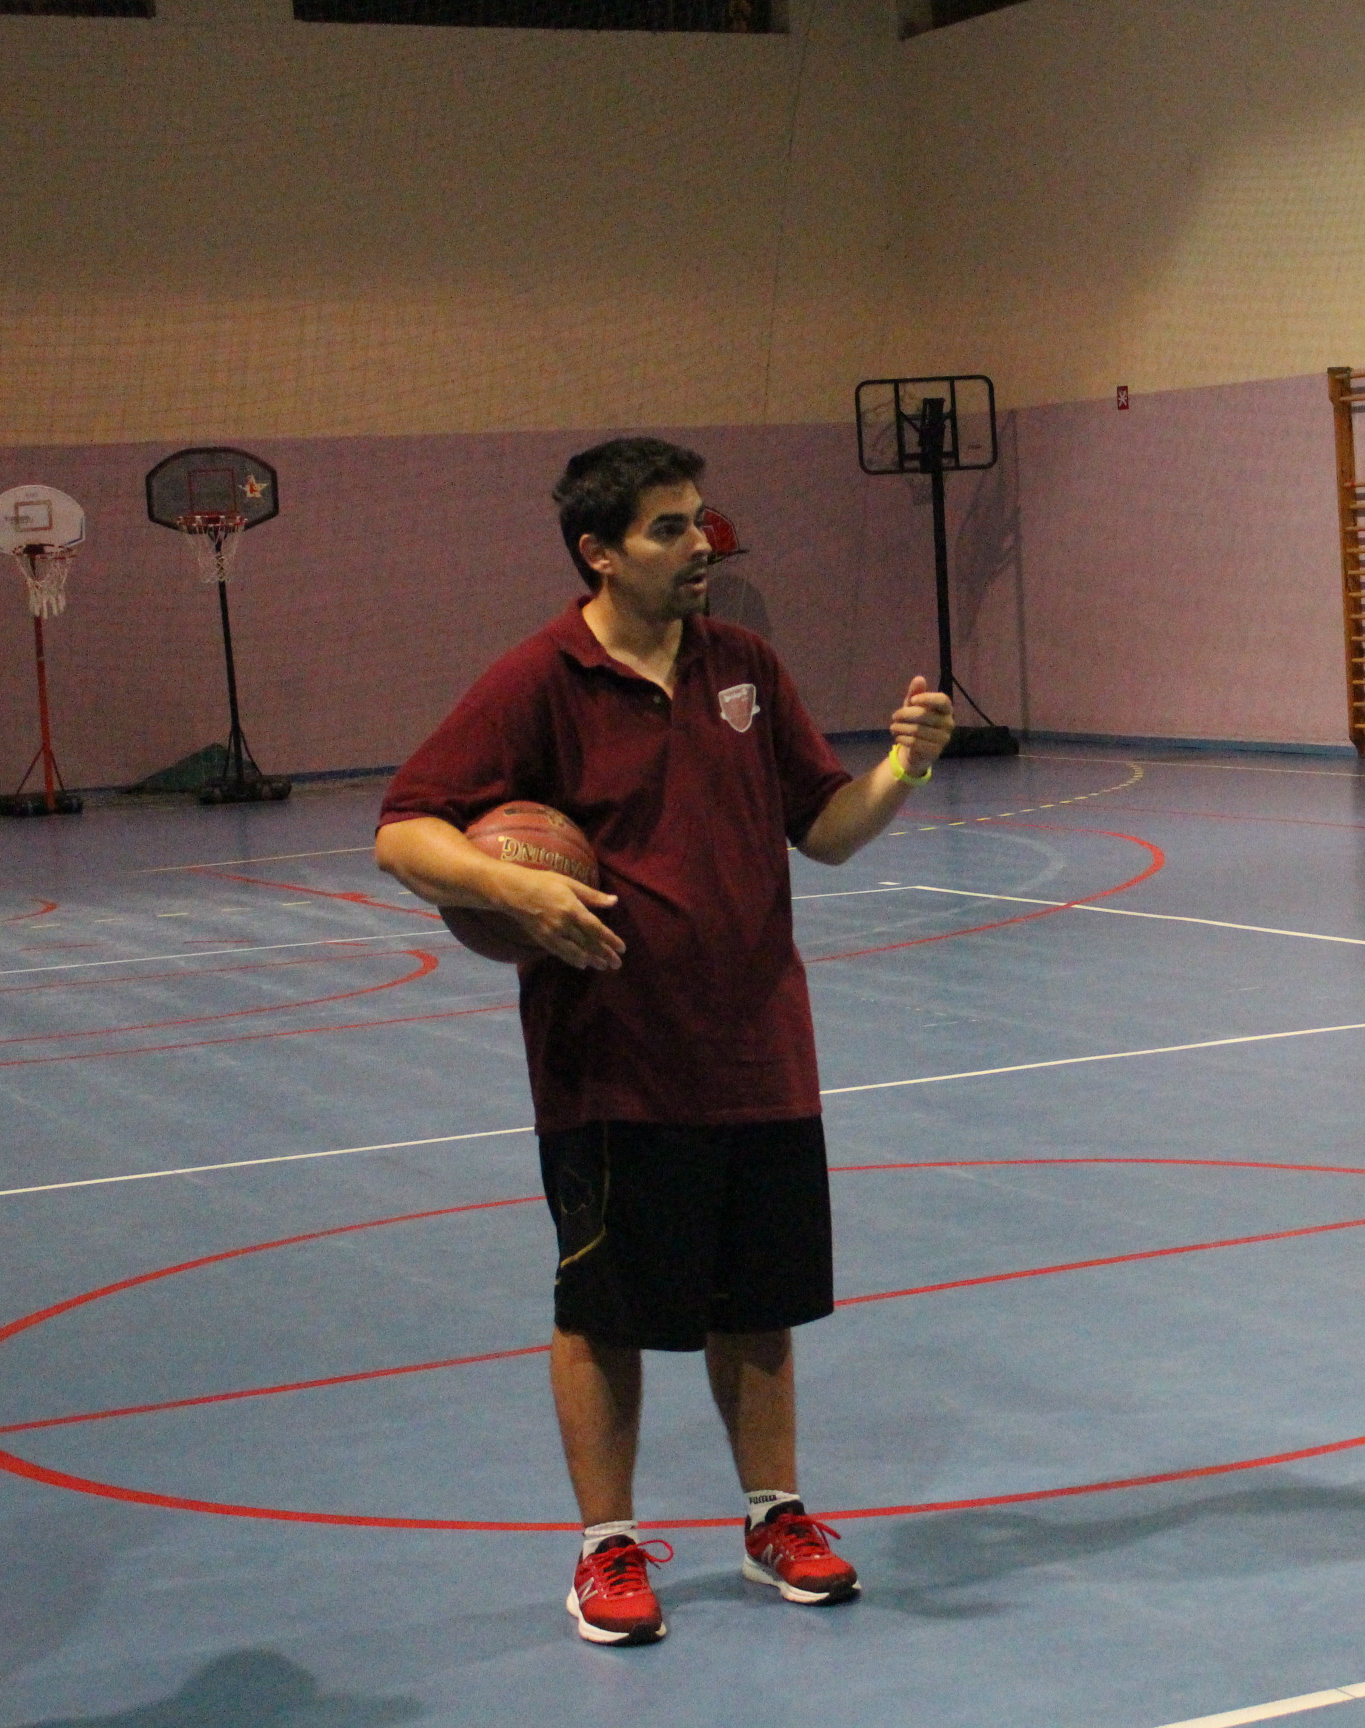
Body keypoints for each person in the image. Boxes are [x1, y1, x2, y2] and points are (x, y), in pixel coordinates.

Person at [374, 438, 952, 1646]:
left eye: (702, 524)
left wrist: (905, 762)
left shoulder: (744, 665)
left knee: (762, 1300)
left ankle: (775, 1519)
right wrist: (510, 888)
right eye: (670, 529)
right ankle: (607, 1549)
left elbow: (828, 831)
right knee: (606, 1311)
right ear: (599, 551)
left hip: (759, 1045)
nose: (701, 547)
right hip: (613, 1065)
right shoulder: (539, 678)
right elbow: (403, 831)